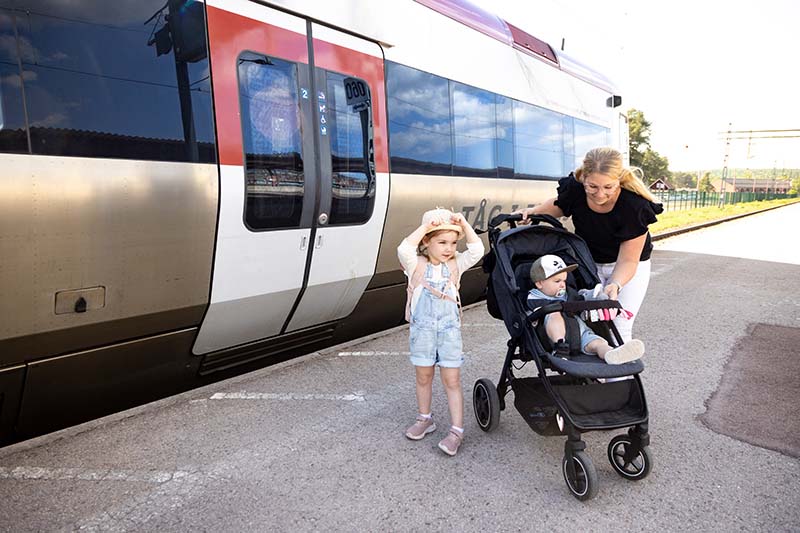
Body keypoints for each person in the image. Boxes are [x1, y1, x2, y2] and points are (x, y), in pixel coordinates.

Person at [515, 147, 663, 342]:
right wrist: (533, 211)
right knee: (590, 323)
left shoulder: (635, 206)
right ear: (583, 178)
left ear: (619, 180)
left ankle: (619, 361)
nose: (600, 194)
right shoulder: (575, 190)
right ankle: (596, 359)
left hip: (628, 268)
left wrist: (615, 284)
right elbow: (558, 206)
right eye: (592, 187)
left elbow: (628, 260)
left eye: (608, 187)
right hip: (589, 264)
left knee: (618, 324)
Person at [397, 207, 484, 456]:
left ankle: (457, 431)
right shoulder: (415, 265)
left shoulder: (456, 264)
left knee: (452, 380)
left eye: (453, 243)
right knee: (423, 377)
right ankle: (425, 419)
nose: (449, 248)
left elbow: (477, 250)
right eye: (442, 242)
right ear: (427, 241)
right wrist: (426, 227)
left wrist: (464, 225)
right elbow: (404, 249)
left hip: (449, 334)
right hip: (423, 333)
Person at [526, 255, 644, 365]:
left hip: (579, 332)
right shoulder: (534, 298)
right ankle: (560, 348)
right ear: (539, 284)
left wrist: (596, 295)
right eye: (557, 281)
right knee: (553, 314)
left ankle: (610, 353)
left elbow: (581, 298)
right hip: (551, 337)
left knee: (597, 343)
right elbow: (533, 316)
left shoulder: (568, 293)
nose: (562, 285)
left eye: (564, 281)